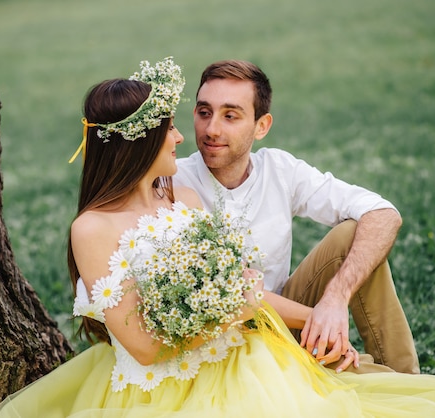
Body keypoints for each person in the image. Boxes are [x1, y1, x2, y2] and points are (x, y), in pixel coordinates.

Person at [0, 57, 435, 418]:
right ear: (140, 142)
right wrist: (227, 310)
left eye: (230, 115)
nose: (198, 130)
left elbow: (246, 287)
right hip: (184, 363)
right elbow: (153, 338)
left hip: (256, 328)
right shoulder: (122, 212)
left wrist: (327, 311)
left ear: (260, 124)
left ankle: (396, 377)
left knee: (353, 242)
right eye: (196, 114)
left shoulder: (187, 199)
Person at [174, 60, 418, 374]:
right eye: (204, 112)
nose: (212, 130)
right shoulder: (173, 181)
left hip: (283, 324)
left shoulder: (279, 170)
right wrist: (316, 318)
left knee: (354, 232)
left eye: (230, 115)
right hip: (210, 343)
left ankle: (404, 375)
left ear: (262, 126)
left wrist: (335, 298)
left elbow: (383, 214)